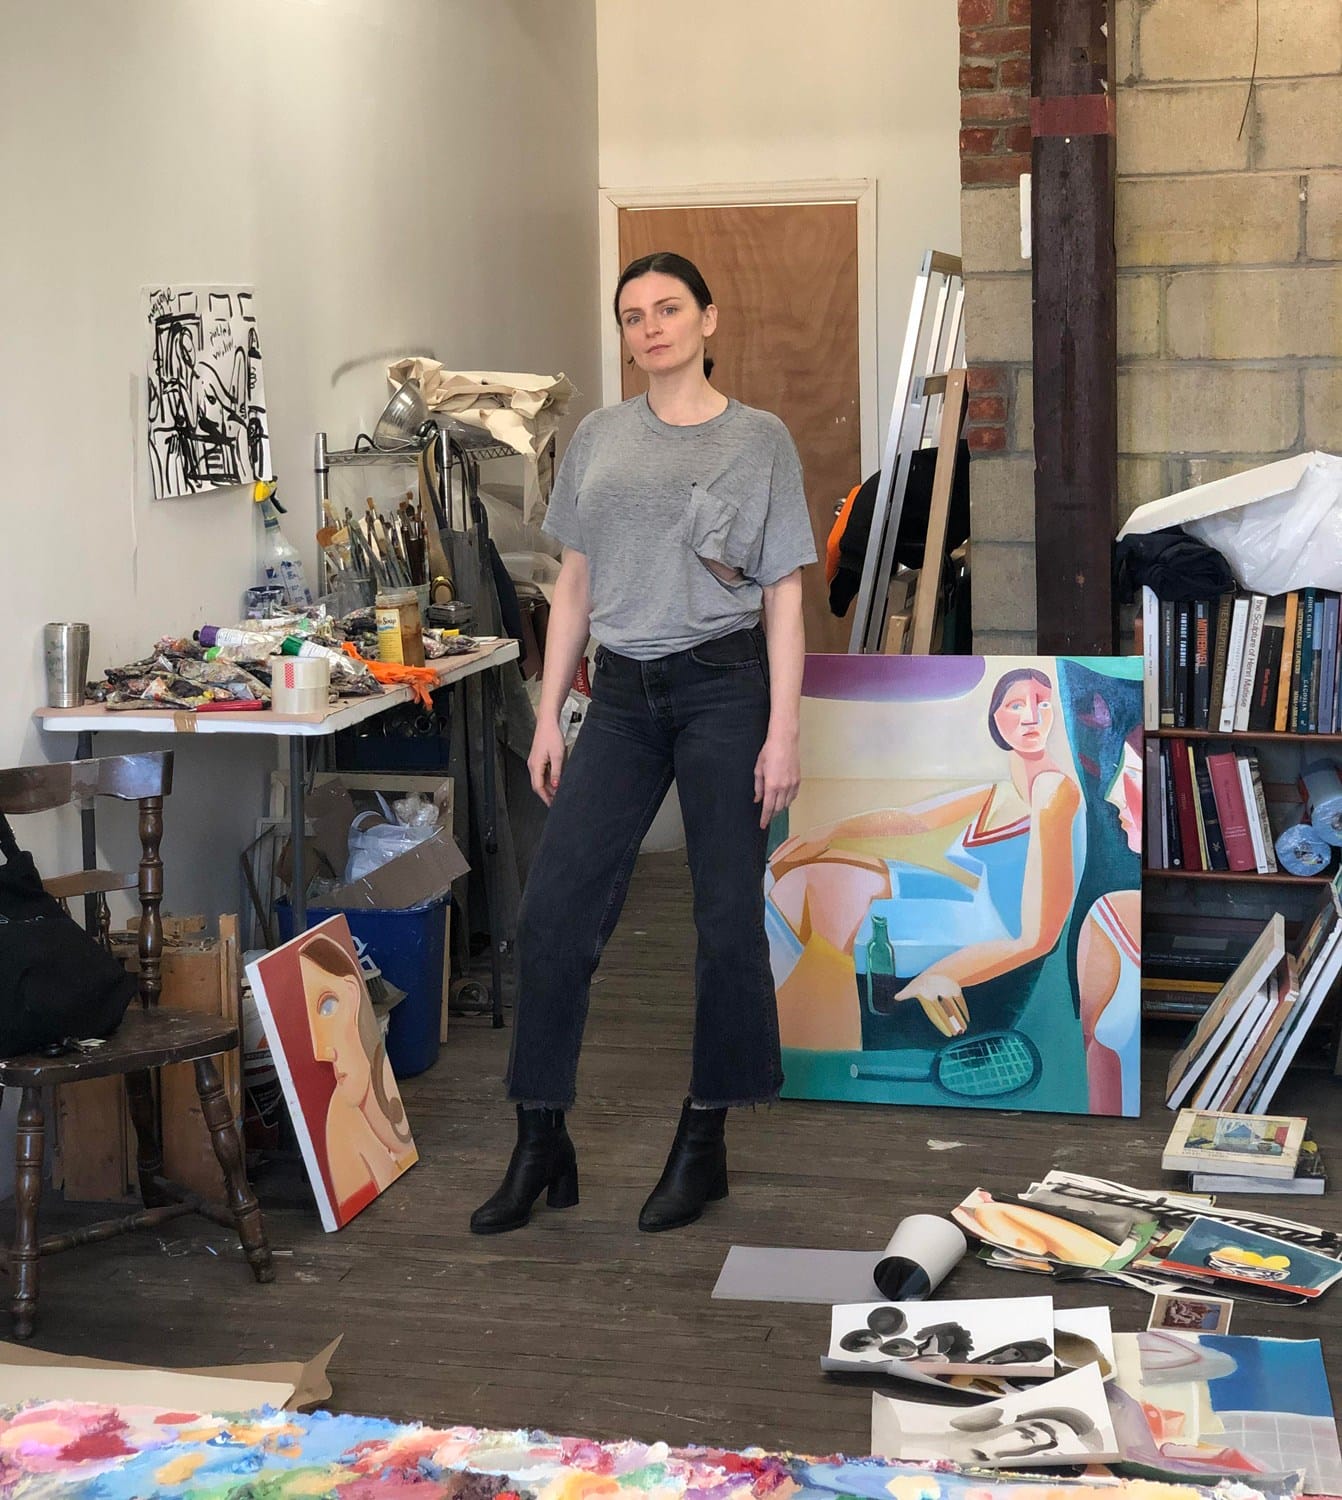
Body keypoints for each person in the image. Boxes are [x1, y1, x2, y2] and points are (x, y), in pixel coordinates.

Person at [470, 251, 816, 1236]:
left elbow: (785, 591)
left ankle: (704, 1138)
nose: (650, 327)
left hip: (726, 689)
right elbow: (574, 582)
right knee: (553, 912)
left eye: (668, 308)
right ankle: (540, 1139)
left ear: (708, 319)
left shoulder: (760, 440)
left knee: (724, 922)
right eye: (633, 315)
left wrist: (782, 730)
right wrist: (548, 712)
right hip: (619, 693)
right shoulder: (599, 436)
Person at [768, 667, 1082, 1047]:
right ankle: (761, 1004)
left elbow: (1037, 938)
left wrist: (942, 973)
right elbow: (912, 820)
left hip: (987, 935)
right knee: (812, 872)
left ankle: (761, 1014)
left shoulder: (1052, 791)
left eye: (1042, 703)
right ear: (996, 718)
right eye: (1016, 705)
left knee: (808, 887)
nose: (1031, 716)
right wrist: (827, 832)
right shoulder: (1003, 789)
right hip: (968, 906)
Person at [296, 934, 417, 1217]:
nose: (323, 1052)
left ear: (354, 995)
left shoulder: (361, 1112)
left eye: (327, 1006)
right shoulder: (341, 1120)